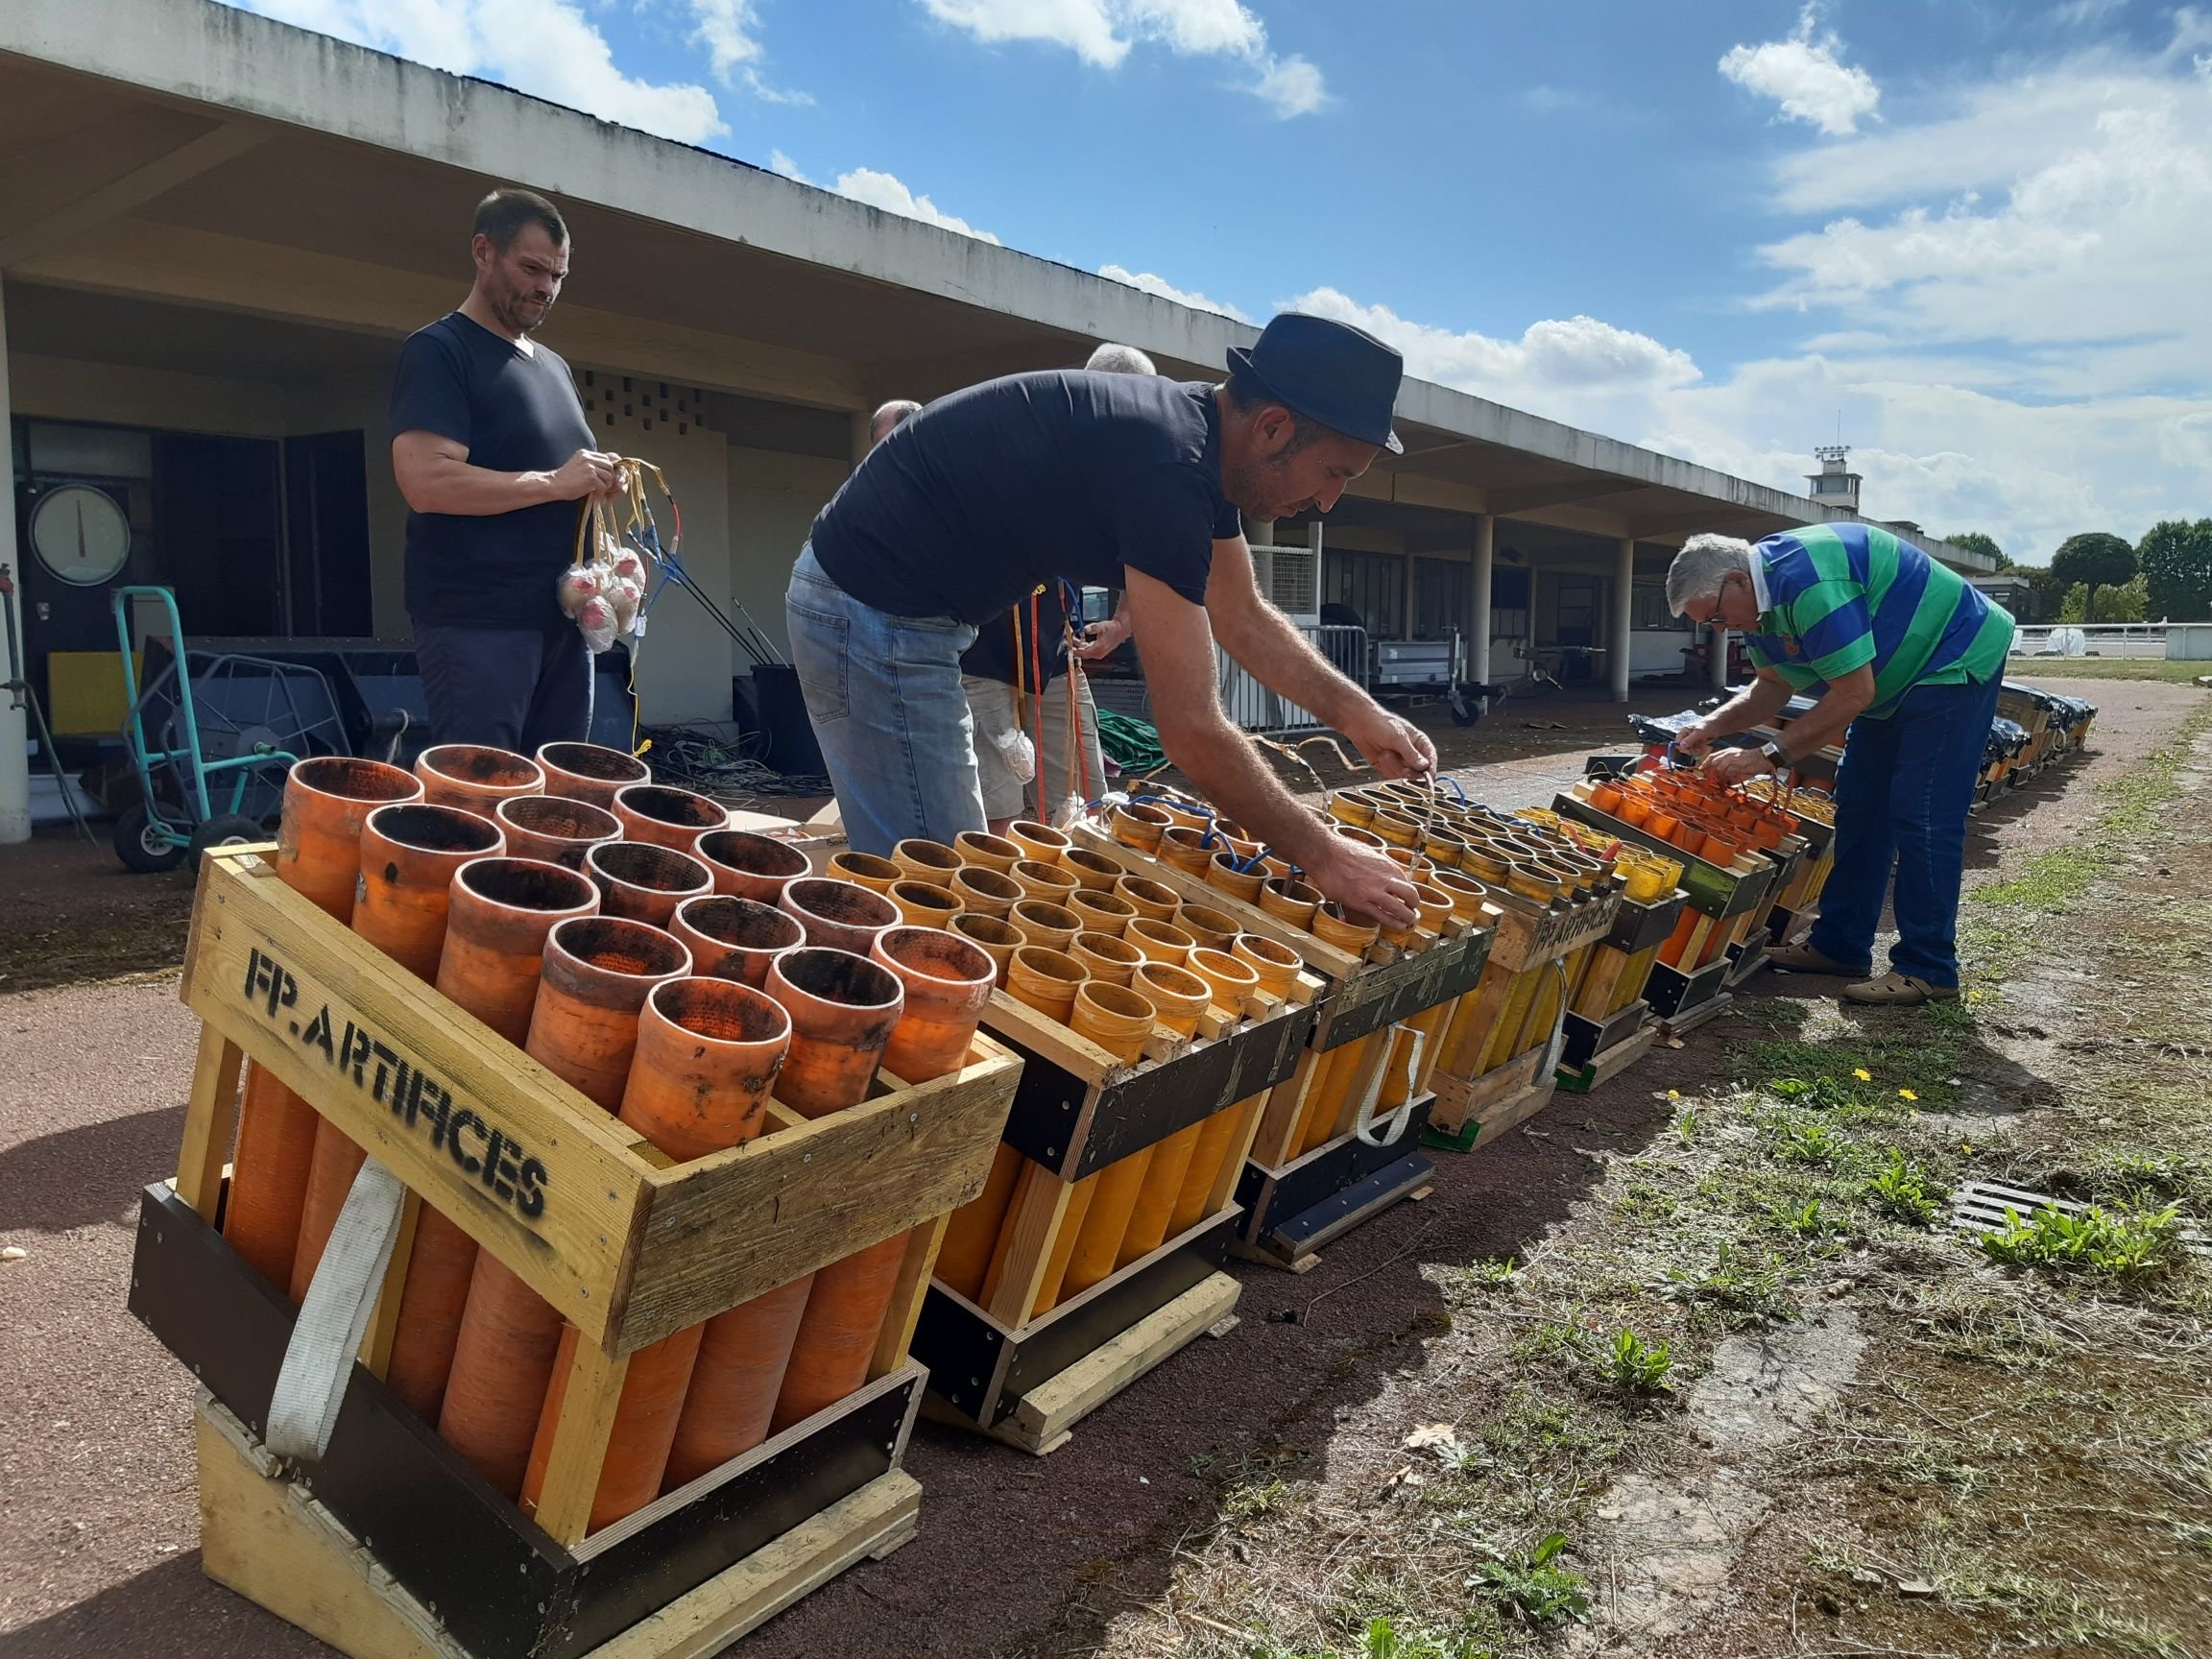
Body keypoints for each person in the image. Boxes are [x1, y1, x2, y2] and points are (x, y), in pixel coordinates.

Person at [788, 312, 1435, 926]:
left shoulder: (1200, 453)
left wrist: (1360, 716)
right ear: (1271, 428)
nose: (1328, 500)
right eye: (1333, 473)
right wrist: (1324, 856)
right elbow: (1190, 732)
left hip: (909, 618)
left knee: (947, 881)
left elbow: (1242, 617)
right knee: (943, 899)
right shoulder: (1167, 467)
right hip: (868, 614)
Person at [1667, 525, 2015, 1006]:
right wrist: (1711, 726)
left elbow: (1853, 693)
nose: (1724, 630)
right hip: (1889, 684)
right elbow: (1770, 687)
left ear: (1738, 580)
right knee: (1859, 807)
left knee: (1922, 813)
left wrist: (1764, 756)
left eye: (1720, 618)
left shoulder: (1809, 582)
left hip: (1951, 659)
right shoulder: (1760, 608)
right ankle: (1841, 945)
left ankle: (1928, 967)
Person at [391, 188, 620, 751]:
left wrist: (594, 484)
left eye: (558, 275)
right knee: (483, 798)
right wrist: (556, 481)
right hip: (478, 622)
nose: (546, 287)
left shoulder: (556, 369)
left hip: (564, 623)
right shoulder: (440, 351)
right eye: (533, 268)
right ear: (483, 251)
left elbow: (556, 479)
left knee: (559, 800)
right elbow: (425, 481)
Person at [960, 343, 1156, 832]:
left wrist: (1122, 623)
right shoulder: (1026, 447)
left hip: (1053, 660)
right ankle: (1002, 897)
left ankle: (1082, 896)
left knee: (1089, 799)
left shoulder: (1134, 468)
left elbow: (1150, 553)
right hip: (982, 658)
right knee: (995, 804)